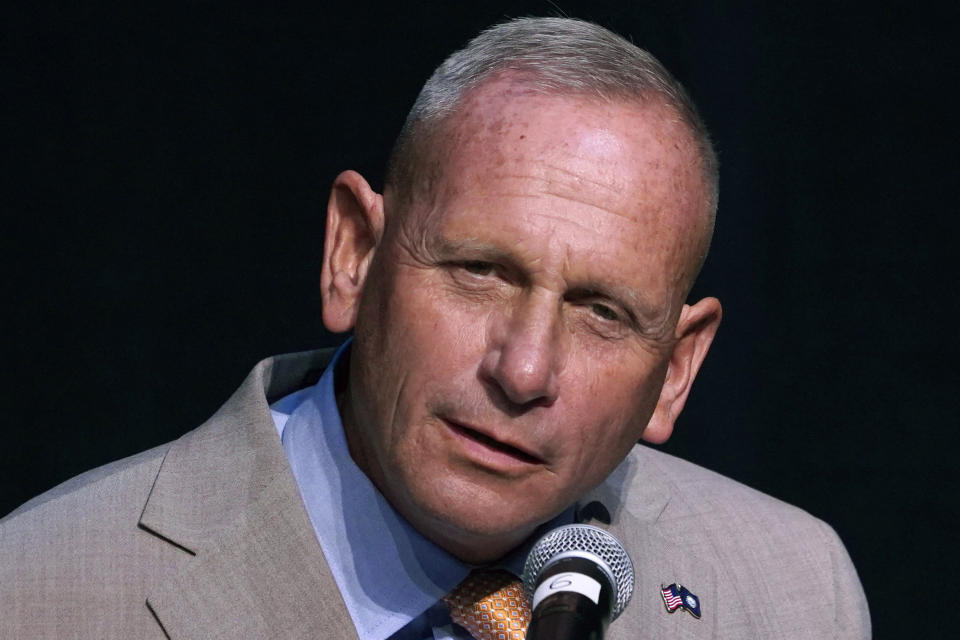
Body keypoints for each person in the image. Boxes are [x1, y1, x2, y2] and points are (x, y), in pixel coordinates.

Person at [0, 17, 869, 639]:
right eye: (480, 272)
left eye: (602, 313)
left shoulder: (794, 594)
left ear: (676, 370)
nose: (524, 370)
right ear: (354, 255)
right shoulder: (39, 593)